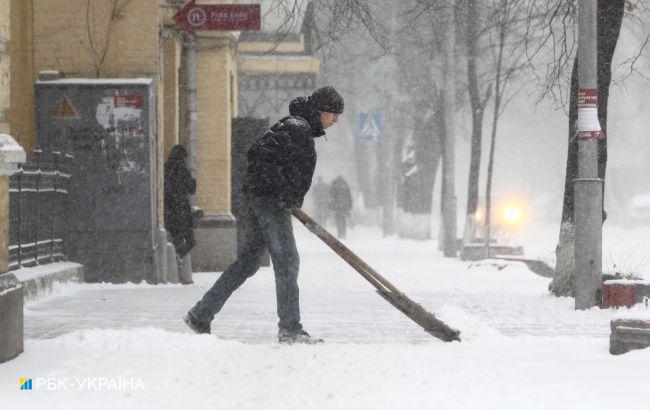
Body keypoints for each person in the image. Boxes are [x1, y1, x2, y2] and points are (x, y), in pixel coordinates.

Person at [184, 86, 344, 344]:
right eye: (333, 114)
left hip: (265, 199)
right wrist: (280, 192)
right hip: (271, 203)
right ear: (321, 110)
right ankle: (290, 328)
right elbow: (261, 157)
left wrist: (283, 191)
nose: (335, 121)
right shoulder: (297, 128)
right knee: (287, 261)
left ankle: (201, 314)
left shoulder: (295, 127)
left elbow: (269, 161)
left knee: (248, 262)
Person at [164, 145, 197, 285]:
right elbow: (191, 189)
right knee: (189, 241)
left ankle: (179, 270)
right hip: (181, 210)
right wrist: (192, 178)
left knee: (178, 240)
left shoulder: (166, 168)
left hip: (170, 210)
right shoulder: (182, 169)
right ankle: (179, 265)